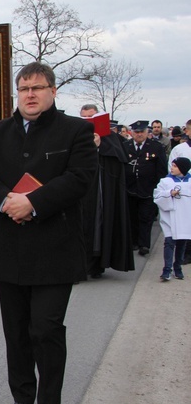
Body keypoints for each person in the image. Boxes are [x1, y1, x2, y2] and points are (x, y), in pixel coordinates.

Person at [0, 62, 97, 404]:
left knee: (46, 330)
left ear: (53, 91)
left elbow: (79, 179)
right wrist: (9, 202)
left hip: (54, 250)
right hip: (8, 249)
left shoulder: (76, 130)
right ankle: (22, 397)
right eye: (23, 88)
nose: (30, 94)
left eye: (38, 88)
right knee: (17, 331)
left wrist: (34, 203)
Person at [78, 104, 134, 279]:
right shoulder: (74, 136)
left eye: (91, 116)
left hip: (101, 191)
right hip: (80, 192)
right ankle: (80, 266)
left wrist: (100, 145)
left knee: (99, 226)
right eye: (84, 117)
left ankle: (97, 265)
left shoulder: (111, 138)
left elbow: (119, 159)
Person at [124, 120, 167, 256]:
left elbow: (161, 169)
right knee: (132, 217)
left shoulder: (155, 147)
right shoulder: (126, 146)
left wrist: (158, 187)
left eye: (142, 132)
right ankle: (134, 242)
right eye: (136, 132)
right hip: (130, 189)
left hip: (148, 190)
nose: (139, 135)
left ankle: (144, 244)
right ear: (132, 133)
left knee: (145, 218)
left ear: (147, 132)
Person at [153, 157, 191, 281]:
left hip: (185, 218)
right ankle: (166, 269)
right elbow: (157, 196)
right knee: (169, 243)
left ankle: (178, 267)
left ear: (183, 168)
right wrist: (169, 193)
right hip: (170, 218)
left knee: (182, 243)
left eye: (175, 166)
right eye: (172, 165)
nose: (172, 168)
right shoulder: (165, 182)